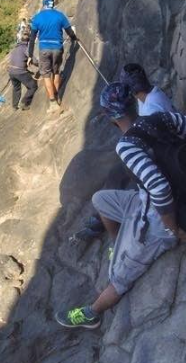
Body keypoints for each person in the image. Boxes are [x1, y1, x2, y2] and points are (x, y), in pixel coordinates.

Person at [56, 63, 186, 329]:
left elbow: (160, 188)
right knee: (100, 200)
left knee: (118, 277)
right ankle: (118, 242)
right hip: (174, 196)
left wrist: (174, 230)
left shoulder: (127, 146)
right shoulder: (160, 118)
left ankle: (92, 314)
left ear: (111, 118)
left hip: (163, 219)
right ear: (133, 102)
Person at [71, 63, 178, 243]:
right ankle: (100, 218)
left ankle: (112, 233)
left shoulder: (150, 114)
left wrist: (172, 229)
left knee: (122, 179)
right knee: (116, 173)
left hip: (161, 167)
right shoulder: (152, 98)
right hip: (160, 154)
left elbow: (158, 185)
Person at [29, 0, 78, 112]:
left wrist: (30, 55)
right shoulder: (60, 15)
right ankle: (57, 97)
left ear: (43, 4)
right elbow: (69, 31)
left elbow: (32, 38)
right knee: (56, 72)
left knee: (46, 75)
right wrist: (74, 38)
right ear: (53, 4)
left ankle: (53, 103)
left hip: (44, 49)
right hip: (57, 48)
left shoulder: (37, 18)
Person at [9, 31, 38, 110]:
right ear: (28, 41)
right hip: (19, 72)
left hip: (11, 71)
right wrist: (40, 65)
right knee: (33, 86)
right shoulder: (25, 48)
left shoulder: (15, 48)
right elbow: (34, 61)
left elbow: (18, 61)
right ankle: (24, 102)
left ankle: (14, 106)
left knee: (16, 88)